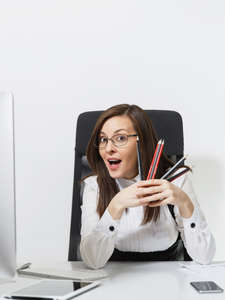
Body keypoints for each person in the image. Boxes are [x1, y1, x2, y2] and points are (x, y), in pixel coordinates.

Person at [80, 104, 215, 269]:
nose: (108, 148)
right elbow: (93, 261)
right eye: (103, 139)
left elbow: (205, 256)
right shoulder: (95, 186)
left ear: (141, 142)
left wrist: (184, 203)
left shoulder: (176, 180)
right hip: (115, 284)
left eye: (120, 138)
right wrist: (116, 206)